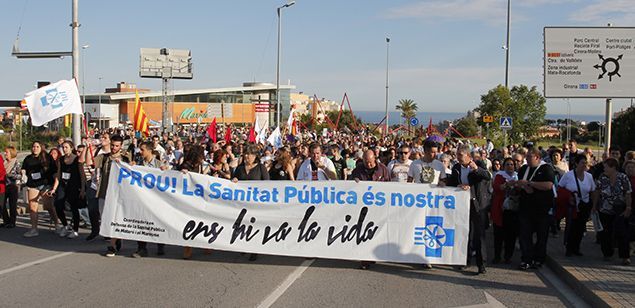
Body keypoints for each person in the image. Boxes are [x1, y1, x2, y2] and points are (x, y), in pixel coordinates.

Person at [446, 145, 491, 274]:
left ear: (468, 156)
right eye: (457, 155)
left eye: (460, 155)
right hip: (463, 205)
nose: (458, 158)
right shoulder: (456, 168)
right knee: (465, 233)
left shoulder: (478, 163)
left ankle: (481, 264)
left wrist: (476, 169)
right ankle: (465, 260)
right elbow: (452, 183)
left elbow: (487, 176)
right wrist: (452, 184)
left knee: (479, 235)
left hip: (477, 205)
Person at [516, 149, 555, 270]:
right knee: (524, 235)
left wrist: (530, 184)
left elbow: (548, 185)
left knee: (541, 235)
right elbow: (522, 185)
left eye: (529, 157)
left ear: (537, 157)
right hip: (525, 207)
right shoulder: (523, 169)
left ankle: (539, 259)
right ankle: (526, 259)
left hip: (542, 209)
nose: (526, 159)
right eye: (526, 156)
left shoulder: (546, 169)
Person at [352, 149, 390, 269]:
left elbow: (390, 186)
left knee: (375, 231)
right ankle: (365, 258)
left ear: (375, 158)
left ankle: (373, 254)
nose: (368, 164)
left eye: (370, 162)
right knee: (363, 231)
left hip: (378, 206)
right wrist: (355, 181)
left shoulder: (383, 169)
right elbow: (350, 183)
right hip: (363, 207)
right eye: (365, 162)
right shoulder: (358, 169)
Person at [232, 145, 270, 261]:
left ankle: (254, 250)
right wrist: (234, 181)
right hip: (243, 202)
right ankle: (245, 246)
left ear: (255, 156)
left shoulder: (260, 168)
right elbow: (234, 180)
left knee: (254, 225)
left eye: (249, 154)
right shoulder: (240, 168)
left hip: (256, 203)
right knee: (243, 224)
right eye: (245, 154)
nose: (247, 156)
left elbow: (268, 184)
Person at [95, 135, 130, 256]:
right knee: (105, 218)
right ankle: (116, 238)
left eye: (117, 146)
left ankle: (112, 245)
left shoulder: (126, 158)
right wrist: (89, 146)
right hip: (104, 192)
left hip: (119, 194)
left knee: (114, 218)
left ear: (121, 146)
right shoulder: (104, 157)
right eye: (112, 145)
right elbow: (89, 162)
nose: (114, 148)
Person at [593, 158, 632, 265]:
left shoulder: (623, 177)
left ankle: (625, 256)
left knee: (621, 231)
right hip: (605, 208)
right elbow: (597, 191)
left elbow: (628, 193)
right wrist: (594, 205)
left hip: (619, 208)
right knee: (605, 232)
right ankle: (607, 253)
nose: (604, 169)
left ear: (613, 167)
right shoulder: (602, 177)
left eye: (606, 167)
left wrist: (628, 207)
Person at [132, 141, 168, 258]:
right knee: (141, 223)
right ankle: (141, 248)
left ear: (149, 150)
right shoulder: (138, 164)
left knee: (158, 222)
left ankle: (160, 245)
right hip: (142, 199)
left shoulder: (159, 164)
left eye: (142, 150)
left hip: (156, 200)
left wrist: (166, 171)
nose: (140, 152)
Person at [21, 141, 61, 237]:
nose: (35, 148)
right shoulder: (28, 158)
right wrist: (23, 174)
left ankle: (57, 224)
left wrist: (54, 185)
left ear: (41, 147)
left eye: (37, 146)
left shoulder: (47, 157)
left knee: (48, 206)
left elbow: (54, 171)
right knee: (32, 207)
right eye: (33, 146)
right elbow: (24, 168)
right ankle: (34, 229)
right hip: (33, 184)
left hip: (45, 184)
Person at [559, 154, 595, 257]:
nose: (584, 165)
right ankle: (569, 247)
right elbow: (561, 188)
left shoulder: (589, 176)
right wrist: (569, 197)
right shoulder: (568, 175)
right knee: (571, 226)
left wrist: (593, 205)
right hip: (572, 206)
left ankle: (576, 247)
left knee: (580, 227)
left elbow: (593, 190)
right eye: (582, 163)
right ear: (576, 164)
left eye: (586, 163)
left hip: (584, 206)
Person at [55, 141, 87, 239]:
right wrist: (54, 188)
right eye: (63, 147)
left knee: (74, 208)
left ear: (71, 148)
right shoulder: (61, 159)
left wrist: (82, 189)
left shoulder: (77, 160)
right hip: (63, 185)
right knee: (58, 205)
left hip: (73, 185)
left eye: (66, 147)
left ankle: (75, 230)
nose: (64, 149)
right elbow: (58, 174)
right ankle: (65, 225)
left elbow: (82, 176)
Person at [179, 144, 206, 260]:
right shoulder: (186, 165)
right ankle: (187, 247)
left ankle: (204, 243)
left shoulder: (200, 165)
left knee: (202, 221)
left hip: (199, 197)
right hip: (188, 199)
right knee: (189, 222)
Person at [491, 157, 519, 264]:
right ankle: (497, 256)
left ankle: (508, 256)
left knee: (511, 235)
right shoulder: (499, 176)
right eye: (507, 164)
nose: (510, 166)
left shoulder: (517, 176)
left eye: (512, 164)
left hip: (513, 209)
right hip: (500, 208)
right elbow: (498, 187)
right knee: (499, 234)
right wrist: (507, 184)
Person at [2, 147, 20, 228]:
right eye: (5, 152)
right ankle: (6, 221)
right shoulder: (4, 162)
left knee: (12, 205)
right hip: (3, 186)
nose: (5, 154)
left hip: (13, 186)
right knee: (1, 204)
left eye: (7, 152)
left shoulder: (16, 162)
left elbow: (20, 175)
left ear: (11, 153)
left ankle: (12, 222)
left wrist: (10, 175)